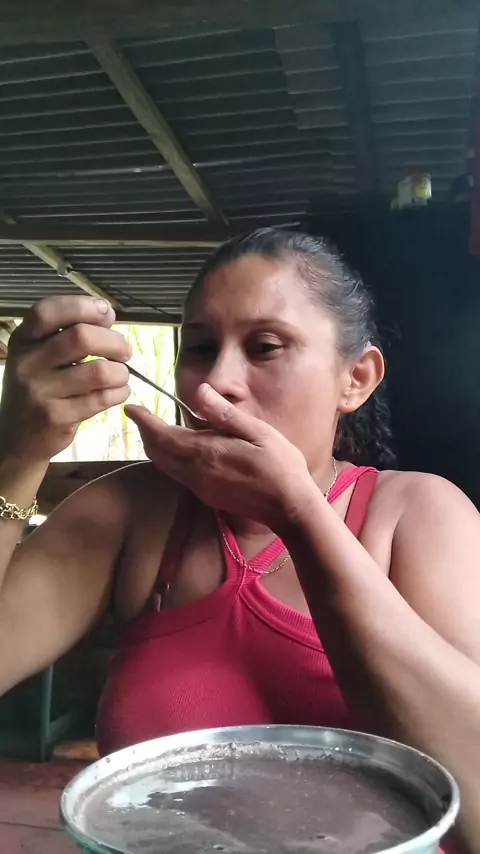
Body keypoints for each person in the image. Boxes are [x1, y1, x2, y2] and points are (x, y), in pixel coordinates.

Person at [0, 228, 479, 850]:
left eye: (265, 347)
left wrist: (299, 516)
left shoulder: (415, 515)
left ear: (356, 378)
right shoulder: (133, 514)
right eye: (200, 348)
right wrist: (18, 455)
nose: (215, 384)